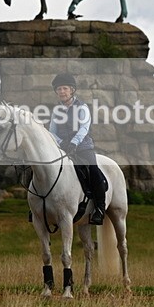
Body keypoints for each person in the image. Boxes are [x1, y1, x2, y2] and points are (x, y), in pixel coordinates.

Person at [47, 73, 105, 225]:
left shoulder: (82, 107)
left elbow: (84, 128)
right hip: (63, 147)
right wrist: (61, 143)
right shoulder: (56, 111)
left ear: (72, 90)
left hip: (82, 146)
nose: (61, 91)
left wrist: (73, 143)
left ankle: (100, 208)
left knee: (93, 170)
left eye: (64, 88)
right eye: (59, 89)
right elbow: (52, 131)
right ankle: (39, 206)